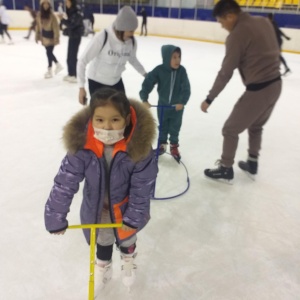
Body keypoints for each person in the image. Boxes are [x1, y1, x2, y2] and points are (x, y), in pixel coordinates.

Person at [44, 88, 158, 292]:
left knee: (127, 237)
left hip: (126, 208)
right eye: (100, 120)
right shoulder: (82, 146)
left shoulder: (138, 148)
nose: (107, 126)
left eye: (115, 120)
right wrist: (55, 216)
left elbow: (142, 186)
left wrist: (134, 215)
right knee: (103, 239)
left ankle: (128, 257)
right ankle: (103, 266)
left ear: (126, 119)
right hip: (97, 208)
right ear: (91, 119)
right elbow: (65, 181)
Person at [200, 0, 282, 183]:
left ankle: (225, 168)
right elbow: (276, 48)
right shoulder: (263, 21)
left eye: (222, 22)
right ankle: (252, 163)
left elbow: (225, 73)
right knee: (256, 126)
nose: (222, 26)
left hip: (259, 90)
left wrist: (209, 98)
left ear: (230, 16)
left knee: (230, 129)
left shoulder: (237, 35)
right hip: (276, 84)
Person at [77, 6, 147, 105]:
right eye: (131, 30)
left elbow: (132, 59)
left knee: (123, 111)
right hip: (97, 82)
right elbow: (82, 61)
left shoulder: (131, 42)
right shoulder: (103, 37)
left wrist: (145, 74)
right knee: (102, 115)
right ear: (122, 28)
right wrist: (81, 87)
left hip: (116, 81)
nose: (133, 34)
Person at [139, 45, 191, 162]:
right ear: (167, 58)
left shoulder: (182, 71)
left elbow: (186, 87)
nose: (177, 60)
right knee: (163, 126)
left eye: (179, 57)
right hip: (162, 106)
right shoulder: (159, 70)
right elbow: (148, 82)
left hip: (177, 108)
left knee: (175, 127)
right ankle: (162, 144)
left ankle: (174, 146)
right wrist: (144, 99)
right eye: (174, 57)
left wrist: (182, 102)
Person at [36, 0, 63, 79]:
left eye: (47, 4)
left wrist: (56, 38)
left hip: (51, 37)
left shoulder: (52, 15)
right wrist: (37, 36)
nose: (46, 5)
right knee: (49, 52)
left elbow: (56, 28)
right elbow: (38, 26)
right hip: (44, 37)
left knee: (48, 52)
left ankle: (50, 69)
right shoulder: (39, 14)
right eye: (44, 4)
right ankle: (58, 65)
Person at [59, 0, 84, 83]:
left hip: (75, 37)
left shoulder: (76, 11)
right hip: (73, 36)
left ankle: (74, 75)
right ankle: (71, 73)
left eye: (68, 2)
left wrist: (62, 20)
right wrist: (66, 30)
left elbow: (72, 24)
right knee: (69, 56)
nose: (66, 4)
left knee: (72, 56)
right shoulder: (72, 11)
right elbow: (71, 25)